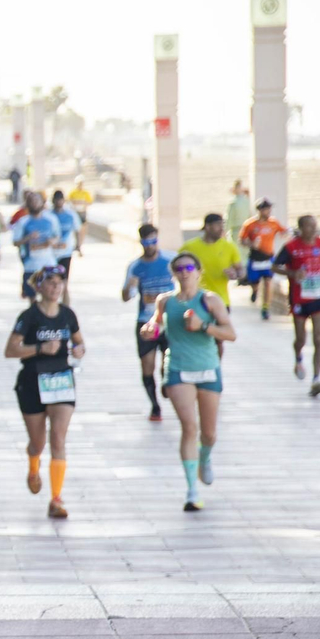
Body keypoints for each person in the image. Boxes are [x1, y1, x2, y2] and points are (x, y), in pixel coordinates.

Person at [140, 251, 237, 512]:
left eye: (189, 267)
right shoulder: (165, 301)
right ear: (174, 273)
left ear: (198, 271)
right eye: (179, 268)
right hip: (178, 370)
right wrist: (150, 330)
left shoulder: (210, 300)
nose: (184, 272)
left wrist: (203, 327)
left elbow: (230, 334)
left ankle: (204, 457)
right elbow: (155, 324)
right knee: (189, 427)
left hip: (207, 369)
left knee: (208, 433)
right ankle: (192, 491)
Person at [5, 266, 84, 519]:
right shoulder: (29, 316)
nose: (56, 287)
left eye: (60, 282)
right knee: (38, 442)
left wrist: (80, 350)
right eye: (50, 282)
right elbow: (10, 350)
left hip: (61, 380)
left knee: (58, 438)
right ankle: (33, 465)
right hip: (32, 381)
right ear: (39, 287)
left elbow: (79, 341)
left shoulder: (68, 315)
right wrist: (40, 348)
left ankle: (56, 499)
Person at [272, 214, 320, 396]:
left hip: (318, 297)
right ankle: (298, 357)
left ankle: (316, 379)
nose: (313, 229)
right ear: (301, 228)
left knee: (319, 339)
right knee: (301, 339)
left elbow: (318, 263)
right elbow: (275, 266)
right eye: (309, 226)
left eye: (315, 226)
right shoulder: (291, 247)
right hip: (299, 299)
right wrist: (293, 273)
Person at [123, 223, 175, 421]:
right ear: (141, 242)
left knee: (167, 362)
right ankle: (154, 405)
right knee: (147, 364)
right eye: (147, 242)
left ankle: (166, 380)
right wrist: (130, 286)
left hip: (168, 320)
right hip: (146, 322)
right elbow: (125, 296)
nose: (150, 245)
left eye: (154, 241)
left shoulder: (170, 260)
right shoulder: (135, 267)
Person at [182, 212, 244, 311]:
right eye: (218, 225)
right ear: (207, 226)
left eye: (222, 225)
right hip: (195, 300)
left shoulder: (229, 247)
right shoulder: (189, 247)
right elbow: (176, 267)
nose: (221, 229)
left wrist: (235, 274)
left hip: (221, 301)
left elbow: (241, 270)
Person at [239, 199, 287, 319]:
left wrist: (287, 233)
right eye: (266, 209)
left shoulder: (273, 222)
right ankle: (254, 290)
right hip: (255, 257)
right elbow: (242, 240)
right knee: (255, 282)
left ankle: (265, 308)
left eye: (269, 209)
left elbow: (283, 231)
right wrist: (251, 244)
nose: (268, 212)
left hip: (268, 257)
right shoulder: (250, 224)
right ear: (260, 210)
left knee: (268, 281)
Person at [9, 191, 61, 301]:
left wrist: (52, 241)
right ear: (27, 204)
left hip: (48, 264)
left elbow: (57, 236)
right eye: (32, 202)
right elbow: (15, 242)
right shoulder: (23, 222)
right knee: (32, 298)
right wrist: (28, 238)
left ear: (42, 203)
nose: (35, 204)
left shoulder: (51, 219)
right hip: (31, 265)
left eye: (37, 201)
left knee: (49, 296)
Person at [50, 191, 82, 302]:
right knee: (51, 282)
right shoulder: (49, 215)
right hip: (51, 253)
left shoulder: (70, 214)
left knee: (64, 282)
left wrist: (78, 245)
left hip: (66, 252)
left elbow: (78, 230)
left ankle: (65, 307)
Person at [226, 180, 251, 250]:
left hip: (235, 231)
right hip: (246, 231)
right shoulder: (247, 201)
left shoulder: (233, 203)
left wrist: (225, 231)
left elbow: (229, 219)